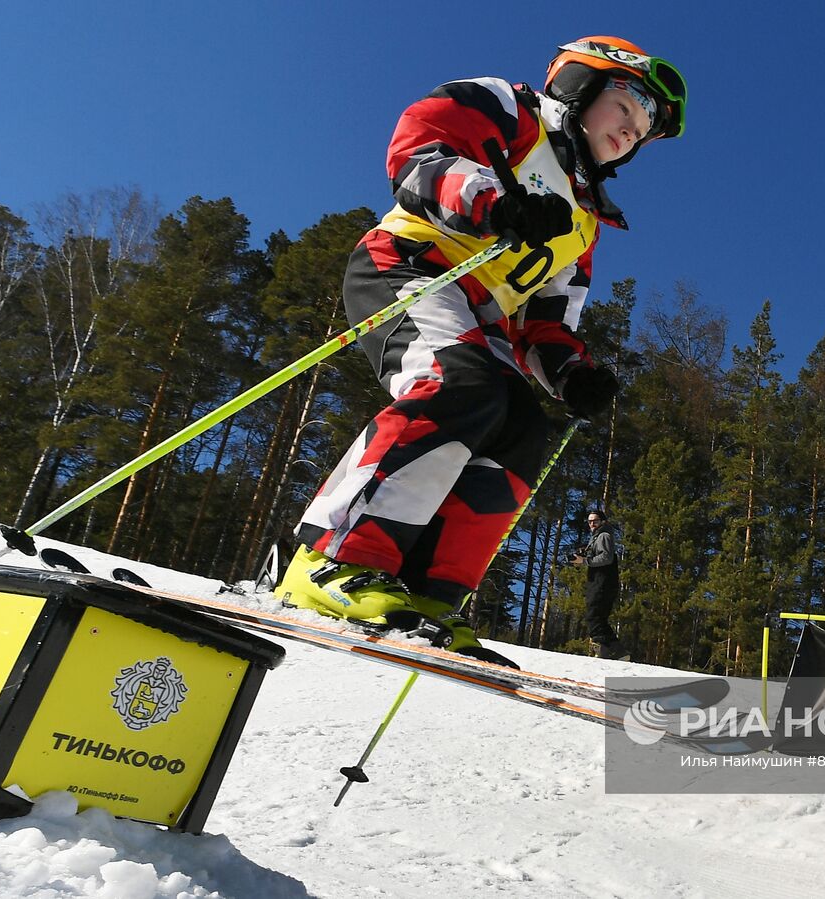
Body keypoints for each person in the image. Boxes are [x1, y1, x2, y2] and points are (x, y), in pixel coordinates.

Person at [274, 37, 686, 665]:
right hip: (410, 268)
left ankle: (428, 595)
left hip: (479, 315)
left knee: (519, 426)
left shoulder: (583, 223)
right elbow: (419, 149)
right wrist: (493, 201)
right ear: (579, 83)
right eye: (628, 105)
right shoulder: (509, 111)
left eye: (647, 128)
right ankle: (334, 559)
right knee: (458, 380)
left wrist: (572, 374)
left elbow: (546, 322)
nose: (634, 130)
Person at [573, 510, 628, 660]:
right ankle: (619, 652)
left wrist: (584, 561)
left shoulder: (604, 535)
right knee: (598, 617)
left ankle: (603, 651)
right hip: (600, 581)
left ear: (603, 522)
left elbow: (606, 557)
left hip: (603, 582)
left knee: (594, 616)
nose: (592, 524)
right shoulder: (597, 537)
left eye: (595, 521)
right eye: (589, 521)